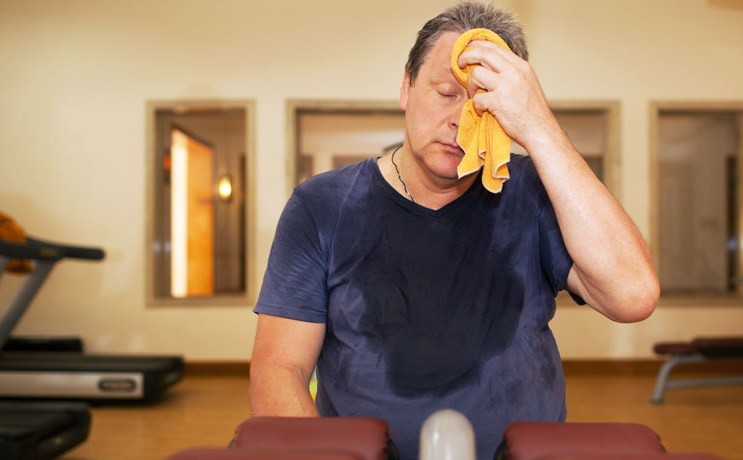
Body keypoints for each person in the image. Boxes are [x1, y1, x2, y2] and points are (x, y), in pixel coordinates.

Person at [249, 2, 659, 459]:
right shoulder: (320, 205)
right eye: (446, 93)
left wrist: (539, 126)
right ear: (406, 87)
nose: (460, 122)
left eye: (483, 105)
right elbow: (278, 369)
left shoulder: (533, 192)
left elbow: (634, 296)